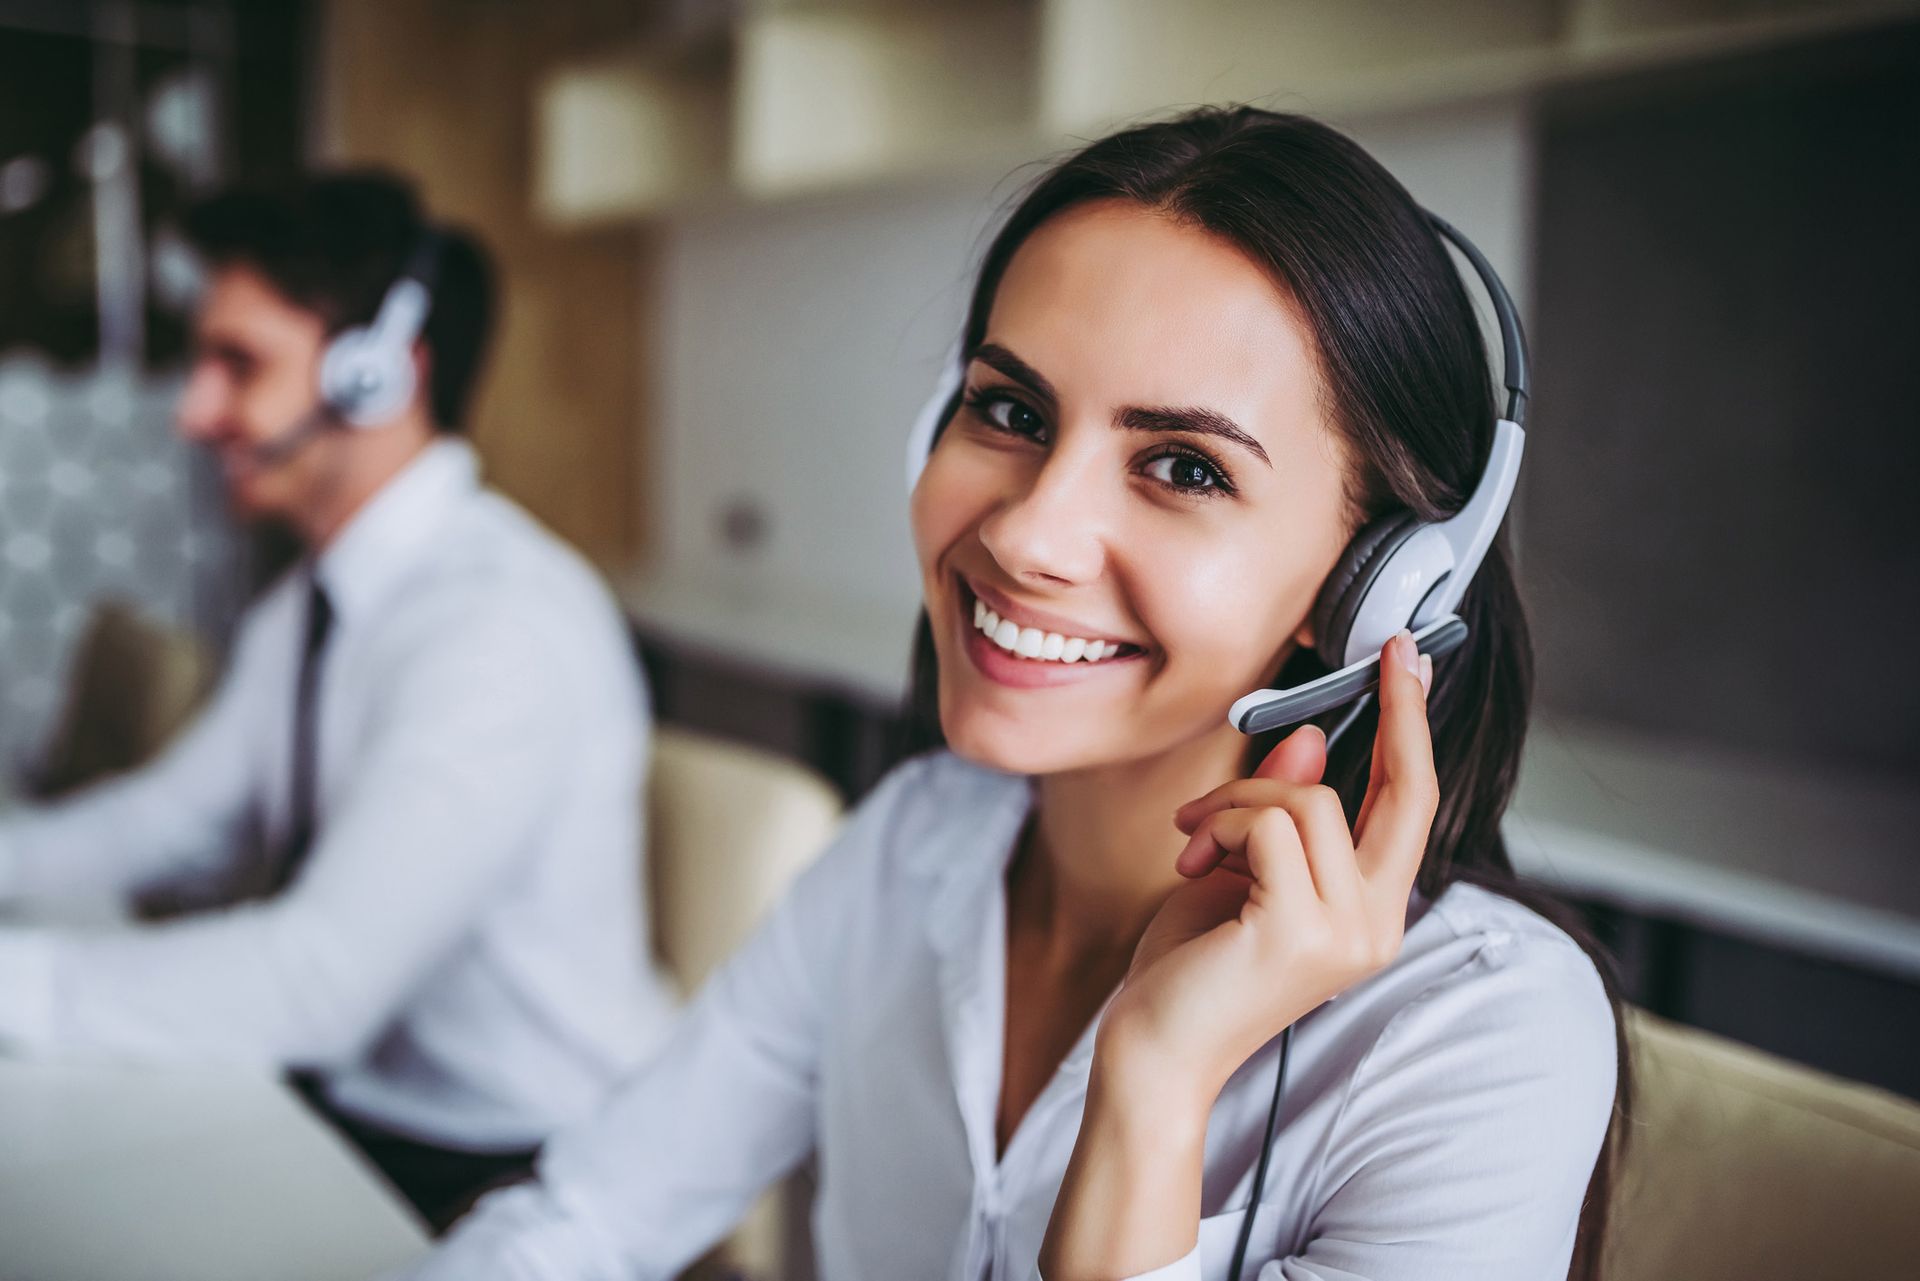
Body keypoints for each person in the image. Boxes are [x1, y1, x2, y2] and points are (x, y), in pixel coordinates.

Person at [401, 108, 1626, 1280]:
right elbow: (584, 1221)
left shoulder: (1481, 1036)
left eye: (1184, 467)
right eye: (1009, 409)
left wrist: (1154, 1082)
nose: (1031, 532)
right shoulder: (909, 850)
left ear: (1376, 586)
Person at [0, 174, 677, 1232]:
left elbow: (316, 982)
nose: (192, 410)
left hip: (520, 1160)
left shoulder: (494, 626)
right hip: (367, 1103)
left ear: (378, 376)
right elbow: (169, 822)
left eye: (240, 364)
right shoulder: (314, 603)